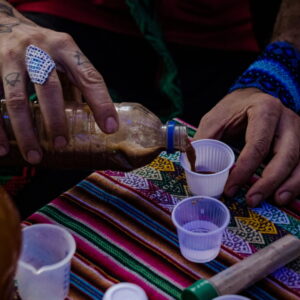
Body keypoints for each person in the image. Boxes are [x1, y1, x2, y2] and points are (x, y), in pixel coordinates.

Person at [0, 0, 299, 208]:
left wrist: (276, 74)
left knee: (260, 155)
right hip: (65, 20)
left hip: (213, 43)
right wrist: (6, 23)